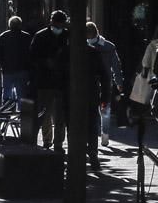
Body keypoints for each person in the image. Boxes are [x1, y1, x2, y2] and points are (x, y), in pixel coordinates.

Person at [30, 10, 70, 152]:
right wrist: (45, 62)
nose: (58, 26)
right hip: (45, 81)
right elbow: (33, 57)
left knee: (59, 116)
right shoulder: (41, 36)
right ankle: (48, 141)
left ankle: (57, 142)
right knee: (47, 114)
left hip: (60, 82)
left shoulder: (67, 36)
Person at [78, 26, 113, 171]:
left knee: (76, 126)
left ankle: (80, 156)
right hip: (91, 95)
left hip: (76, 97)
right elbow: (105, 77)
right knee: (92, 127)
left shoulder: (67, 52)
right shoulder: (93, 52)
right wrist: (105, 97)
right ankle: (92, 155)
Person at [86, 22, 123, 148]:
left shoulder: (107, 47)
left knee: (104, 109)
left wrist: (119, 82)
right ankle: (102, 135)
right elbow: (116, 66)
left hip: (102, 83)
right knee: (100, 110)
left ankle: (104, 134)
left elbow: (116, 66)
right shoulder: (108, 46)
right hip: (98, 83)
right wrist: (118, 81)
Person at [0, 16, 32, 104]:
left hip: (8, 70)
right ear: (20, 25)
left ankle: (6, 113)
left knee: (7, 93)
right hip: (22, 70)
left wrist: (2, 64)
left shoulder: (3, 36)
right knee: (22, 94)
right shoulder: (26, 37)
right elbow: (30, 53)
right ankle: (21, 115)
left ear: (10, 25)